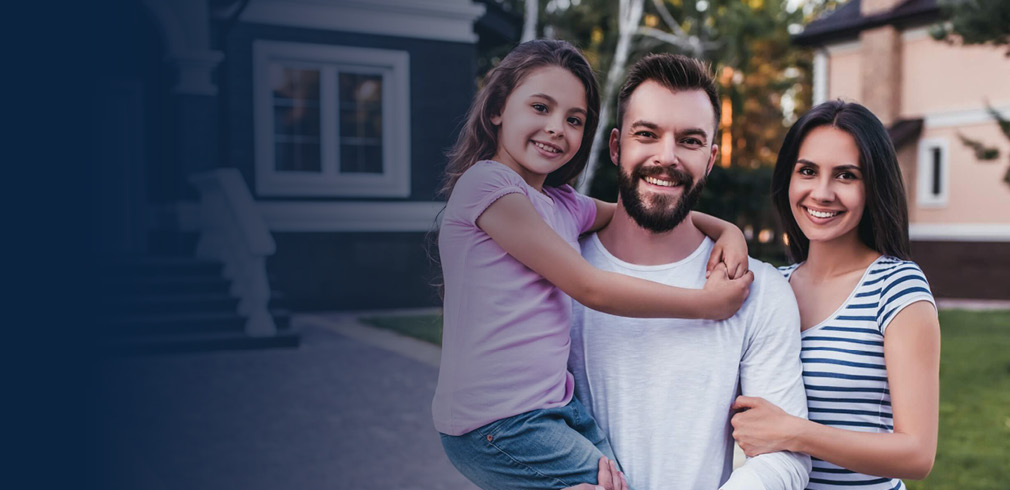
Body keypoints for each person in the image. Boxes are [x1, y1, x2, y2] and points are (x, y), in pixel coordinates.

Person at [433, 39, 756, 490]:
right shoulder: (488, 187)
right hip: (497, 423)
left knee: (619, 481)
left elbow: (634, 208)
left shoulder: (562, 203)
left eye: (573, 119)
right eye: (540, 107)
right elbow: (590, 287)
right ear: (497, 110)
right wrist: (707, 305)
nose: (555, 128)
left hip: (552, 410)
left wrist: (728, 231)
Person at [567, 53, 812, 490]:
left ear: (711, 157)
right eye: (647, 134)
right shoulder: (558, 272)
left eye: (690, 141)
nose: (668, 157)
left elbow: (785, 459)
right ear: (616, 146)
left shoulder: (757, 291)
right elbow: (500, 419)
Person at [729, 101, 940, 490]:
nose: (822, 193)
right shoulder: (771, 287)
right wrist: (723, 231)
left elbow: (918, 454)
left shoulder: (896, 287)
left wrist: (796, 433)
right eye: (807, 171)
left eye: (846, 175)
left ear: (873, 186)